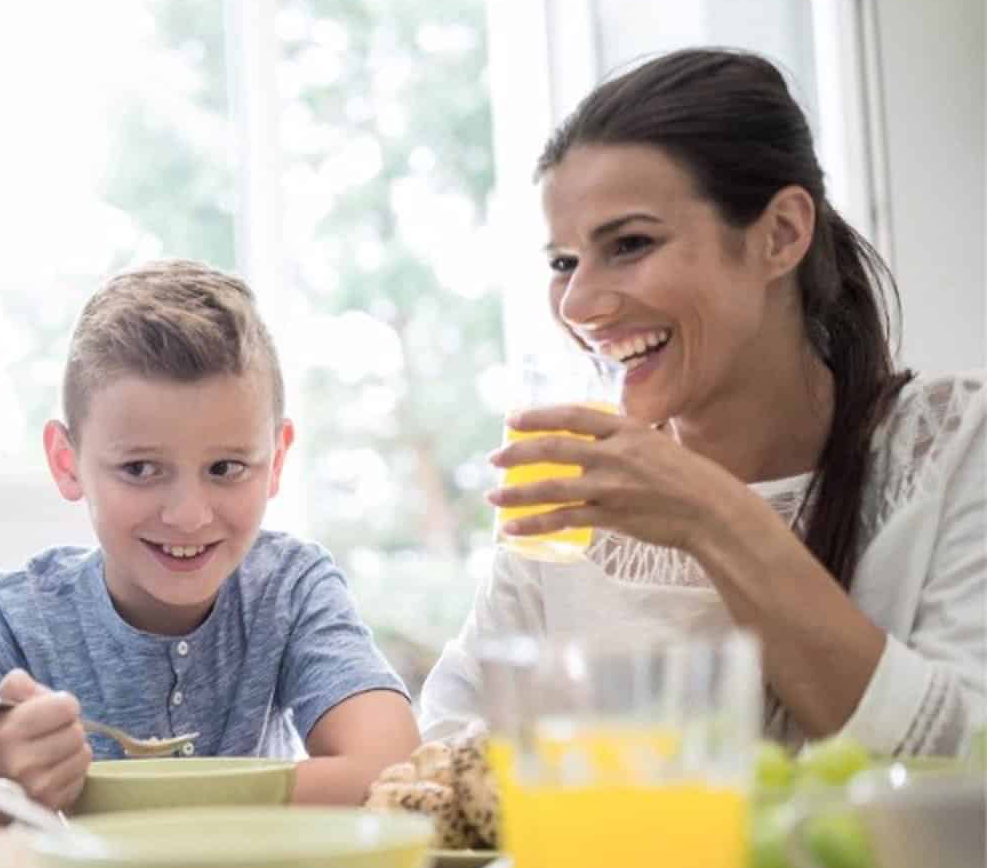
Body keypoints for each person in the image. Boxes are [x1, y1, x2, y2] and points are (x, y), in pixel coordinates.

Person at [420, 48, 984, 754]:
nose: (580, 303)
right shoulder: (574, 502)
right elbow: (446, 743)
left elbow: (965, 770)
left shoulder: (953, 450)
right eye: (564, 262)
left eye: (629, 243)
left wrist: (712, 516)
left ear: (781, 234)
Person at [0, 260, 418, 812]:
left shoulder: (289, 588)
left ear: (276, 460)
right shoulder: (10, 616)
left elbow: (392, 773)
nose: (188, 516)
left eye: (225, 468)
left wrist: (118, 801)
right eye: (140, 469)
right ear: (67, 462)